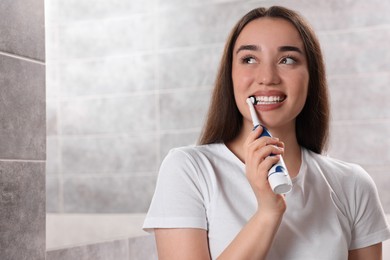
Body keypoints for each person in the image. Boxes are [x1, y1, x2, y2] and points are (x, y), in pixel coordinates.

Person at [143, 6, 390, 259]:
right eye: (249, 59)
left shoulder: (352, 184)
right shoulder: (189, 170)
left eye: (287, 60)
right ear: (230, 75)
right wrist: (267, 213)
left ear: (311, 77)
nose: (267, 77)